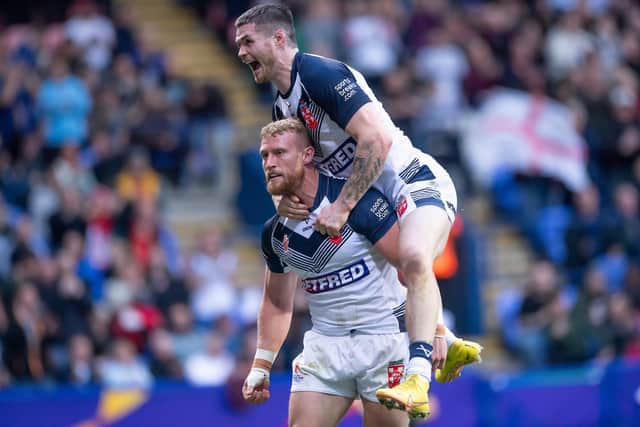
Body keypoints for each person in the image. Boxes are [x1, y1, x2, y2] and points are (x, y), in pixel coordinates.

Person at [235, 4, 481, 418]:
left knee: (415, 258)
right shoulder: (282, 107)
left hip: (411, 181)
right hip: (372, 200)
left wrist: (343, 205)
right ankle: (445, 339)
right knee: (392, 269)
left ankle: (419, 376)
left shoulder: (322, 75)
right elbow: (295, 165)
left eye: (247, 41)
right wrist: (283, 199)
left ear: (279, 39)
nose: (240, 52)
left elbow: (378, 140)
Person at [242, 119, 481, 425]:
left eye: (279, 153)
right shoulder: (274, 233)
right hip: (325, 345)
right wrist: (261, 366)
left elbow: (410, 271)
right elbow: (276, 302)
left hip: (383, 340)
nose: (269, 163)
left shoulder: (357, 202)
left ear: (306, 155)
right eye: (264, 156)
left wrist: (433, 330)